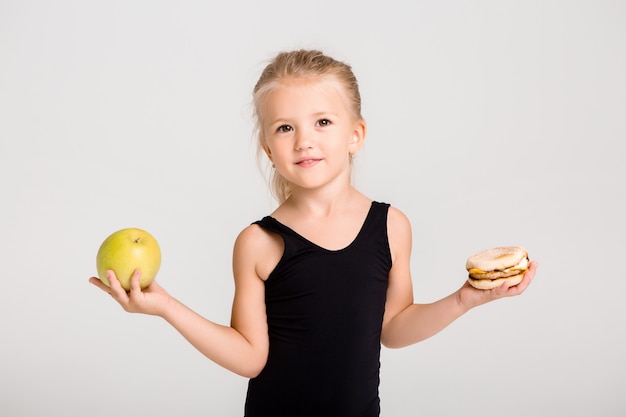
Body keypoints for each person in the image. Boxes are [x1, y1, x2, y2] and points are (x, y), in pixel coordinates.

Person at [89, 49, 537, 417]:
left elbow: (394, 329)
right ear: (268, 147)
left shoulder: (391, 226)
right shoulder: (258, 243)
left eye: (322, 122)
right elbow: (250, 358)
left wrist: (464, 298)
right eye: (285, 128)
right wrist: (165, 306)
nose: (304, 140)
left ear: (355, 134)